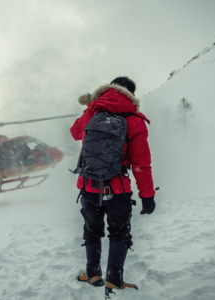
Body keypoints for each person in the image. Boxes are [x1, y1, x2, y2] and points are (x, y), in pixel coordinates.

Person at [70, 76, 156, 294]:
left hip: (89, 187)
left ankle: (93, 274)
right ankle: (114, 280)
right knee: (119, 233)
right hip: (118, 189)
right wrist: (147, 196)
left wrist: (90, 105)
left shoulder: (93, 111)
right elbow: (141, 163)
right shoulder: (134, 119)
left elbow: (74, 132)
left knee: (92, 230)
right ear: (131, 95)